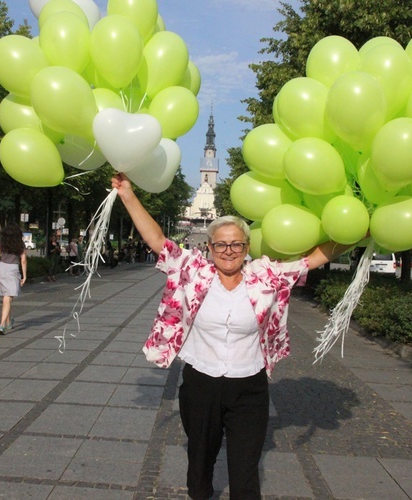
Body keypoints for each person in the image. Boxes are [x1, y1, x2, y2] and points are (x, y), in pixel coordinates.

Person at [111, 173, 348, 499]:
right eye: (220, 244)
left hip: (249, 387)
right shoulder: (192, 270)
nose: (228, 250)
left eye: (236, 244)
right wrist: (127, 194)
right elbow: (158, 241)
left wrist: (355, 232)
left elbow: (314, 258)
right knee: (200, 463)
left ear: (247, 247)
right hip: (200, 385)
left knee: (245, 472)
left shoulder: (266, 275)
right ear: (209, 247)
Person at [0, 223, 27, 335]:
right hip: (13, 270)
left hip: (1, 269)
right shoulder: (20, 244)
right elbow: (23, 261)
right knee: (7, 298)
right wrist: (24, 275)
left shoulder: (1, 243)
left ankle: (9, 321)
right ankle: (2, 325)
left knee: (6, 298)